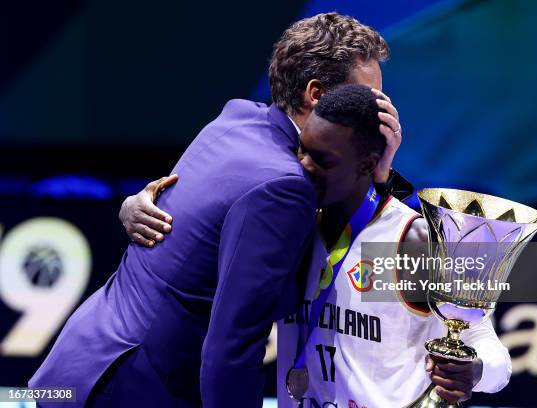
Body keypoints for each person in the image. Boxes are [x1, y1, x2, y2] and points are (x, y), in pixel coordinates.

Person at [29, 13, 402, 408]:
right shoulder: (283, 186)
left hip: (81, 364)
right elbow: (232, 351)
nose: (379, 114)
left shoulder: (237, 120)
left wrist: (378, 170)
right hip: (129, 389)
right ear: (316, 94)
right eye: (369, 98)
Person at [125, 85, 512, 407]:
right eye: (302, 151)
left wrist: (472, 370)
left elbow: (489, 352)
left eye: (322, 160)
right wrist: (130, 206)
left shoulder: (410, 242)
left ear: (367, 164)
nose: (304, 166)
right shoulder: (291, 227)